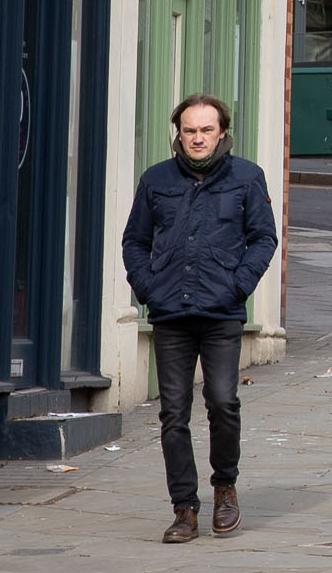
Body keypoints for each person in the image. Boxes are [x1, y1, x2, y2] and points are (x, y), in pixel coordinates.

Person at [120, 92, 277, 544]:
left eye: (206, 130)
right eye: (189, 130)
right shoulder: (156, 180)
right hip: (170, 313)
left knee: (223, 401)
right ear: (179, 133)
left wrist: (238, 285)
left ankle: (224, 487)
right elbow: (134, 240)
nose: (197, 138)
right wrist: (148, 288)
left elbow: (264, 238)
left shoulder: (247, 178)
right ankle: (184, 509)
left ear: (222, 132)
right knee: (173, 413)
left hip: (222, 312)